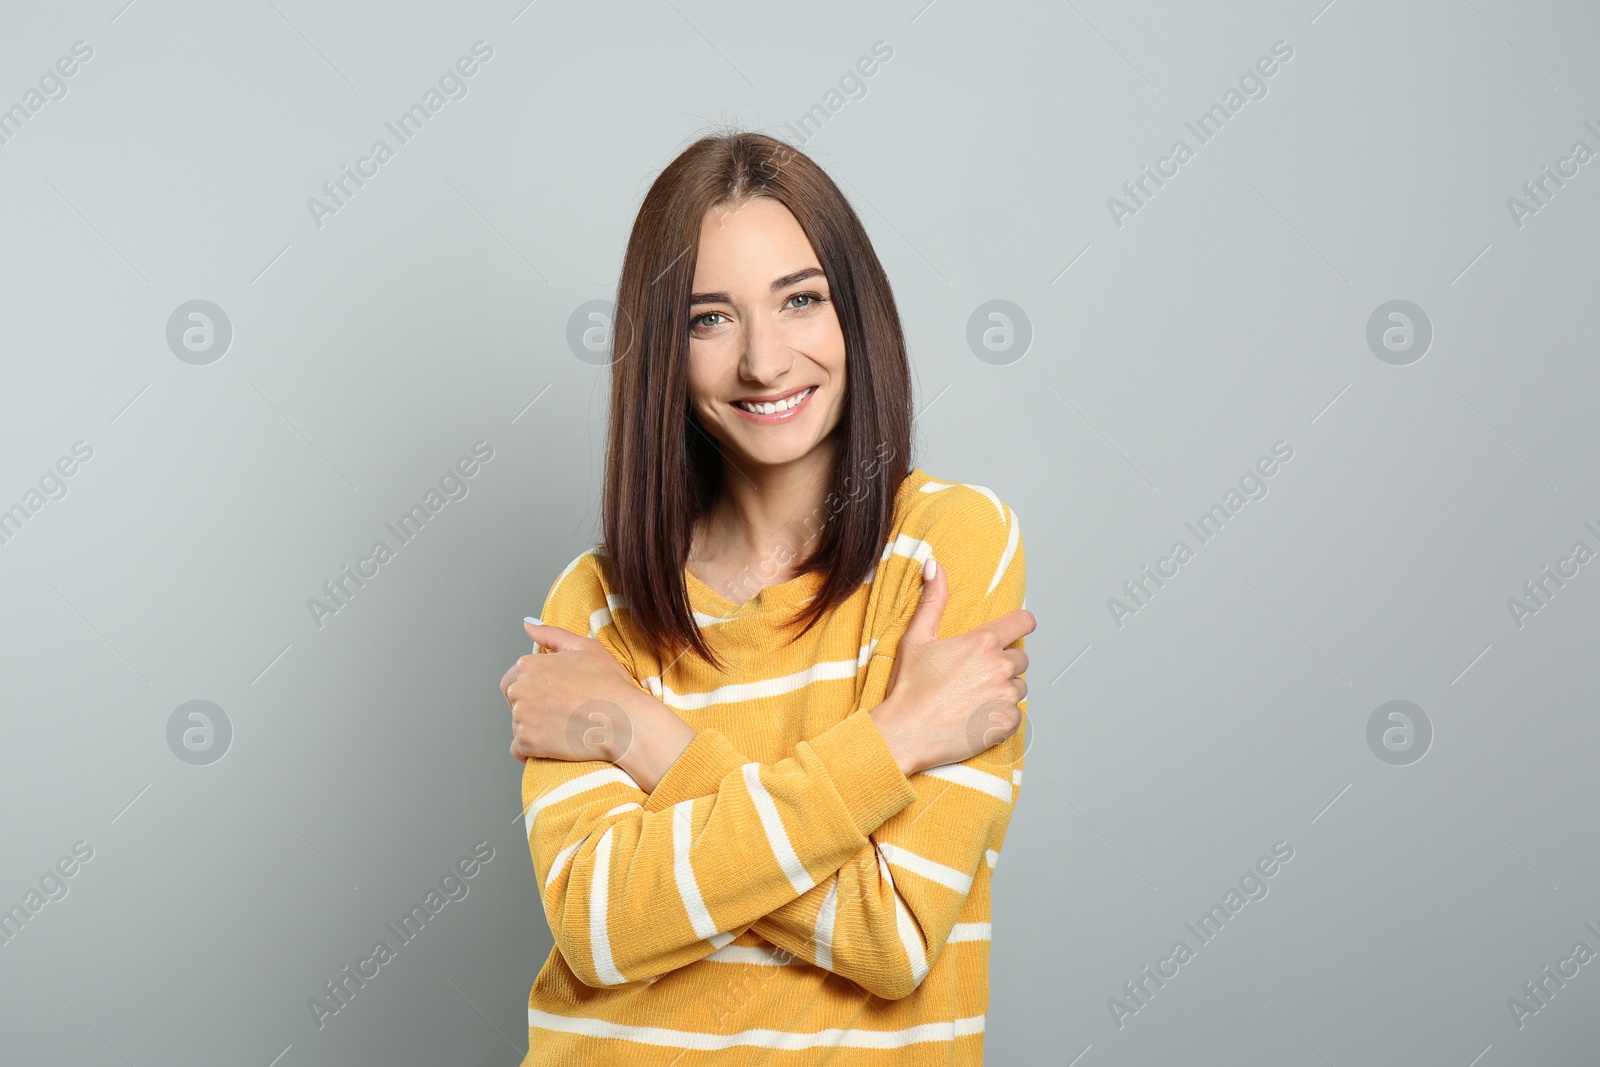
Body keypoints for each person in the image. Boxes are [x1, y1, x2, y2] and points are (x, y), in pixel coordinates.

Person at [501, 128, 1034, 1065]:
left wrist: (642, 734)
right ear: (664, 347)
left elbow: (892, 932)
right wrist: (897, 737)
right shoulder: (593, 605)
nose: (764, 360)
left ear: (854, 313)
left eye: (800, 300)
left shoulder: (949, 548)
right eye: (710, 318)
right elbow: (604, 925)